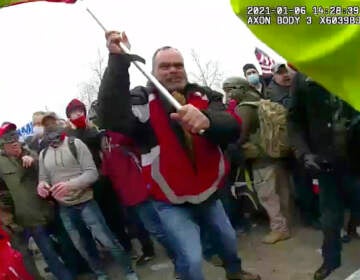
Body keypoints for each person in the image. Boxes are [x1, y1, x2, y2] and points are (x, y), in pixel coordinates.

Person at [97, 31, 260, 280]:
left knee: (228, 241)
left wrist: (208, 120)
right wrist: (118, 61)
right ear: (152, 71)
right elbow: (109, 115)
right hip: (169, 200)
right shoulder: (142, 101)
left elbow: (232, 125)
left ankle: (235, 272)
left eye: (178, 65)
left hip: (209, 193)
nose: (173, 70)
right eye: (165, 66)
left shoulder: (204, 95)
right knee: (192, 258)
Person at [37, 125, 139, 280]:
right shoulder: (43, 154)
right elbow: (43, 178)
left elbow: (92, 173)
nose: (51, 137)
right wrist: (42, 185)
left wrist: (70, 185)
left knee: (107, 240)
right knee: (82, 246)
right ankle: (100, 273)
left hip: (85, 202)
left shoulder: (75, 144)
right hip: (64, 208)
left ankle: (129, 270)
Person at [65, 98, 156, 265]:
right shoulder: (70, 138)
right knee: (110, 219)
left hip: (111, 180)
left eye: (79, 111)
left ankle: (143, 246)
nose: (77, 115)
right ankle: (127, 247)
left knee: (125, 216)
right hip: (91, 184)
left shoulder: (100, 133)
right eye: (73, 113)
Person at [288, 72, 360, 280]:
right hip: (326, 165)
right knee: (329, 219)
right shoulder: (303, 77)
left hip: (356, 161)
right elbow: (294, 120)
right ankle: (330, 261)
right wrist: (304, 152)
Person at [0, 122, 74, 280]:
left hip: (48, 208)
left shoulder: (29, 152)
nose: (13, 141)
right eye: (8, 138)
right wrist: (10, 217)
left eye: (14, 136)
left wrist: (30, 158)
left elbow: (47, 171)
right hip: (29, 218)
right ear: (2, 143)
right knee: (49, 253)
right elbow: (3, 194)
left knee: (67, 245)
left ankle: (81, 271)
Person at [228, 77, 291, 244]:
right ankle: (286, 223)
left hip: (260, 158)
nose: (228, 94)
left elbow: (240, 135)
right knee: (282, 190)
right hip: (276, 153)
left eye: (229, 90)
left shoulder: (245, 108)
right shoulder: (260, 101)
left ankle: (279, 229)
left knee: (267, 195)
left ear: (238, 89)